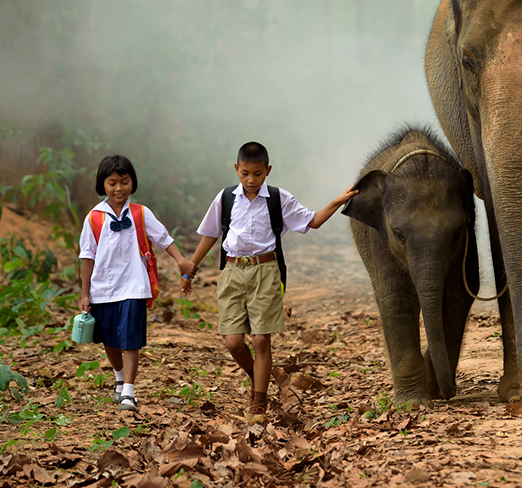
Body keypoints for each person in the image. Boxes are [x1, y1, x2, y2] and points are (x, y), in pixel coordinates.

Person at [182, 141, 356, 418]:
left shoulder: (278, 199)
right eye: (245, 174)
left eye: (258, 174)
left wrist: (337, 201)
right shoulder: (226, 198)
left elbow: (312, 221)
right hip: (232, 272)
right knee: (233, 342)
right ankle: (258, 377)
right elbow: (211, 234)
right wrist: (190, 267)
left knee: (262, 340)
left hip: (266, 271)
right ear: (236, 169)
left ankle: (258, 402)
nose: (251, 180)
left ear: (268, 171)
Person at [79, 154, 196, 412]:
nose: (119, 188)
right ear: (102, 185)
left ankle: (129, 392)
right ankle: (119, 377)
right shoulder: (94, 218)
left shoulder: (141, 213)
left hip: (135, 285)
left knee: (131, 339)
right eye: (112, 183)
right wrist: (85, 293)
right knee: (109, 340)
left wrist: (181, 261)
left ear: (132, 183)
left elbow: (164, 238)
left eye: (124, 181)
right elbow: (87, 257)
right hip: (103, 288)